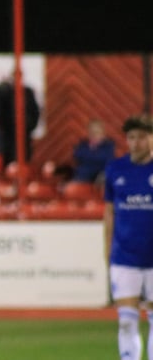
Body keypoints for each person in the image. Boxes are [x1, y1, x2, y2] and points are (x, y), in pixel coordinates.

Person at [103, 114, 153, 360]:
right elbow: (109, 214)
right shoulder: (116, 170)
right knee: (126, 320)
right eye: (132, 137)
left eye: (142, 137)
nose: (136, 142)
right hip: (124, 256)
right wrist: (107, 251)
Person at [0, 76, 40, 166]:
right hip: (9, 134)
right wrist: (5, 128)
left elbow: (35, 111)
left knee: (25, 156)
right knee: (10, 159)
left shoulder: (28, 92)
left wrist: (30, 125)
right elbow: (1, 113)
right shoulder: (6, 93)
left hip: (25, 132)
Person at [72, 118, 115, 184]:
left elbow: (105, 157)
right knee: (75, 182)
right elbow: (77, 155)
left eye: (97, 132)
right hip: (84, 172)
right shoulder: (83, 144)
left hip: (101, 171)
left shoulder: (108, 145)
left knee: (106, 177)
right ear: (88, 132)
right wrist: (94, 154)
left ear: (103, 133)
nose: (94, 135)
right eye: (91, 132)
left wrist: (88, 154)